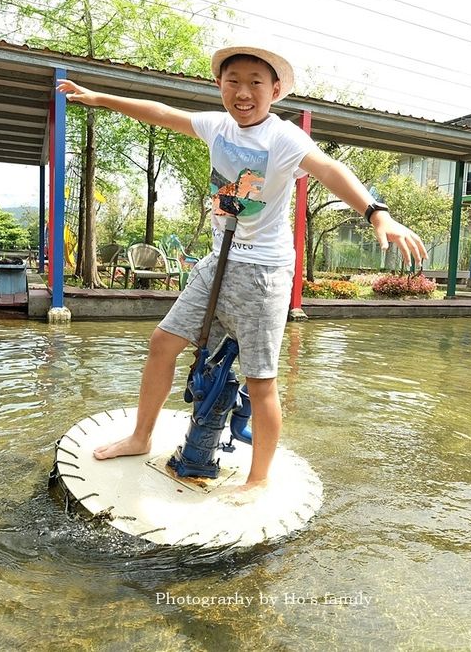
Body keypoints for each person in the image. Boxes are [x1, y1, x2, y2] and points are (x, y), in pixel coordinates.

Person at [55, 44, 427, 489]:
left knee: (261, 378)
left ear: (274, 91)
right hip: (218, 262)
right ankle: (140, 436)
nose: (243, 92)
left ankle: (258, 479)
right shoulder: (216, 125)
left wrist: (377, 213)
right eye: (233, 81)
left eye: (255, 83)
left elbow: (329, 168)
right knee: (162, 343)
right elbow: (159, 111)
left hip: (263, 274)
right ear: (220, 86)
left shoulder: (283, 137)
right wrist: (100, 98)